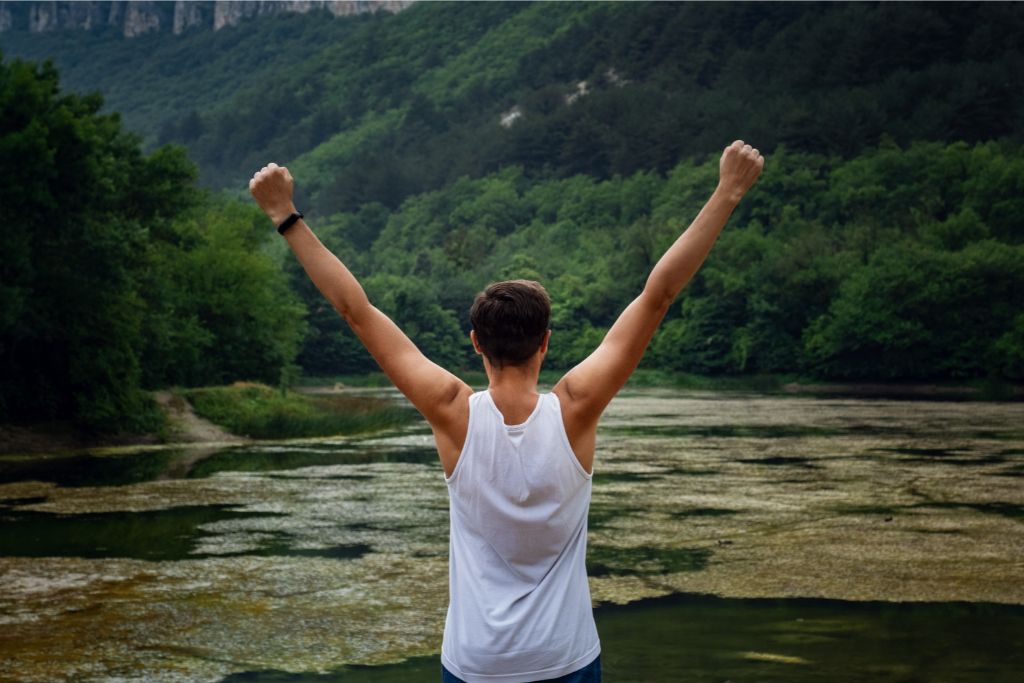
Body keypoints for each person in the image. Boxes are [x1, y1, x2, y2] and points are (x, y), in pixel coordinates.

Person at [249, 140, 764, 682]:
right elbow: (658, 295)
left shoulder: (452, 411)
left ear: (475, 343)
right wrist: (727, 192)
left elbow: (356, 311)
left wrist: (286, 216)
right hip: (564, 659)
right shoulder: (576, 410)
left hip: (477, 664)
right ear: (545, 342)